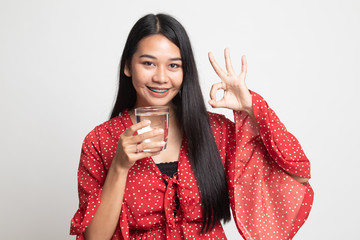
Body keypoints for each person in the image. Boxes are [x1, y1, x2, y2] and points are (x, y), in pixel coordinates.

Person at [70, 13, 313, 240]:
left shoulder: (216, 132)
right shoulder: (100, 141)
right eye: (148, 63)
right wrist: (120, 167)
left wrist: (250, 107)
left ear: (186, 72)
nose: (161, 77)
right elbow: (95, 236)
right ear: (127, 66)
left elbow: (296, 175)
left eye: (174, 65)